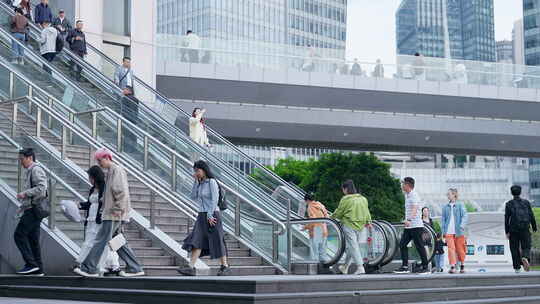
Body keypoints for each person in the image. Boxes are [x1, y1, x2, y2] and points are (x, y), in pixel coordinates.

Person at [74, 148, 144, 277]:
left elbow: (120, 191)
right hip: (114, 212)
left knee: (100, 239)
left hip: (113, 213)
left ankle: (89, 268)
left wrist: (117, 209)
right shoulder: (112, 171)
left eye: (100, 160)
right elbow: (115, 192)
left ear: (107, 158)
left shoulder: (116, 170)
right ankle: (135, 267)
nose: (99, 163)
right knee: (117, 241)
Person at [179, 160, 231, 276]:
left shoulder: (212, 182)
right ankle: (190, 267)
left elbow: (215, 199)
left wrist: (210, 215)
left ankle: (225, 266)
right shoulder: (201, 183)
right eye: (195, 171)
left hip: (212, 215)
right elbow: (193, 196)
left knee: (217, 240)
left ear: (204, 170)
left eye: (198, 170)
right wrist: (196, 182)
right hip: (202, 215)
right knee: (197, 240)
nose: (196, 173)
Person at [77, 166, 120, 275]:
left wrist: (102, 216)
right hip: (91, 219)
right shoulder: (92, 189)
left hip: (100, 219)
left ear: (95, 177)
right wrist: (79, 205)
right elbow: (90, 203)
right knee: (93, 241)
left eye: (90, 177)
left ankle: (89, 264)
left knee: (99, 242)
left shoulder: (104, 188)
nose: (89, 179)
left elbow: (105, 204)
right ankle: (89, 264)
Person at [14, 148, 47, 276]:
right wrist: (22, 206)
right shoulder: (30, 171)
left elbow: (42, 188)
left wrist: (24, 193)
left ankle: (31, 264)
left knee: (19, 235)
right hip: (32, 208)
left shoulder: (35, 169)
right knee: (33, 239)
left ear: (29, 158)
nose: (21, 162)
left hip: (33, 210)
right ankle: (39, 268)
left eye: (22, 159)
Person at [331, 180, 372, 275]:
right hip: (361, 226)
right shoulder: (363, 198)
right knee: (352, 246)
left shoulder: (346, 199)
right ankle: (345, 267)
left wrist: (331, 217)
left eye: (343, 189)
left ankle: (360, 267)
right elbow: (367, 211)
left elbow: (339, 211)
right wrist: (369, 221)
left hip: (349, 224)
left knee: (353, 246)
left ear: (345, 189)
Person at [394, 177, 430, 274]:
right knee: (402, 244)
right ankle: (405, 266)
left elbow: (415, 208)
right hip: (409, 227)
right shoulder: (407, 195)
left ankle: (425, 267)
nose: (402, 185)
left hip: (416, 226)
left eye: (403, 184)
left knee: (419, 246)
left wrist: (409, 219)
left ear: (407, 185)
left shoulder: (414, 195)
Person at [505, 185, 537, 273]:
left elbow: (507, 218)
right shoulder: (526, 202)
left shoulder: (509, 204)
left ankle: (517, 267)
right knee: (526, 246)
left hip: (513, 229)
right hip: (525, 228)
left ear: (511, 193)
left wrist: (507, 231)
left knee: (514, 248)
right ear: (520, 192)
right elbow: (531, 215)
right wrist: (534, 227)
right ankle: (525, 257)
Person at [441, 188, 468, 274]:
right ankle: (452, 266)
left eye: (449, 194)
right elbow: (443, 220)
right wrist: (443, 232)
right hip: (449, 232)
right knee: (451, 249)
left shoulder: (460, 205)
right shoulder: (445, 207)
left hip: (459, 231)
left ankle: (462, 265)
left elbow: (465, 216)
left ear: (454, 194)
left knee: (460, 249)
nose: (447, 195)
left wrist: (462, 225)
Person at [302, 193, 329, 263]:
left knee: (315, 253)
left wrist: (305, 227)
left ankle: (315, 270)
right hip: (324, 229)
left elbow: (313, 220)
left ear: (307, 200)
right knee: (322, 252)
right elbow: (327, 216)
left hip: (317, 230)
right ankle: (324, 269)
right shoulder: (320, 205)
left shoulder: (310, 207)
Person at [120, 86, 139, 153]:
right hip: (134, 120)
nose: (123, 90)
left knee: (126, 135)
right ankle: (134, 149)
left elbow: (124, 110)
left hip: (126, 119)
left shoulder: (125, 98)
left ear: (129, 91)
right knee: (133, 135)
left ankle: (126, 150)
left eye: (125, 89)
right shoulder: (135, 99)